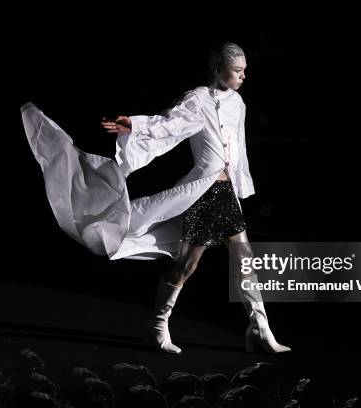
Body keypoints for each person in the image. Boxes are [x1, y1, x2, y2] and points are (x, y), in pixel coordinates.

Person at [21, 42, 291, 355]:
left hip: (226, 192)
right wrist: (134, 124)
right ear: (219, 68)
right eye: (238, 70)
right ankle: (158, 323)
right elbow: (169, 124)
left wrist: (242, 184)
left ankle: (259, 328)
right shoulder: (198, 98)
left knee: (244, 258)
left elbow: (239, 148)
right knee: (186, 266)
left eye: (244, 69)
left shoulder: (239, 104)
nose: (244, 75)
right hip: (203, 192)